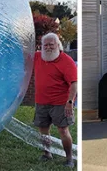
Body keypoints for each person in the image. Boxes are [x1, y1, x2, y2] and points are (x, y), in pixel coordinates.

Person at [33, 33, 77, 167]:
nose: (48, 47)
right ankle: (47, 154)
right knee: (43, 130)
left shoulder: (66, 61)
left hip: (60, 103)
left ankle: (69, 158)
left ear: (58, 45)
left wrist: (70, 102)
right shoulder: (37, 57)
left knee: (63, 130)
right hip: (41, 101)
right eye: (45, 45)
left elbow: (74, 84)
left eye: (51, 44)